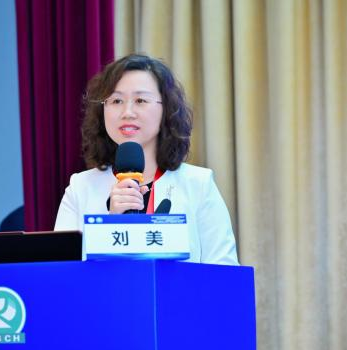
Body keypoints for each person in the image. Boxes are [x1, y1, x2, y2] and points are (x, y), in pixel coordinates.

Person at [54, 54, 239, 265]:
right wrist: (111, 223)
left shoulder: (198, 184)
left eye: (140, 100)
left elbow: (224, 272)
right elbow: (62, 273)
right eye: (116, 101)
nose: (127, 112)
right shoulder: (81, 188)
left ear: (166, 109)